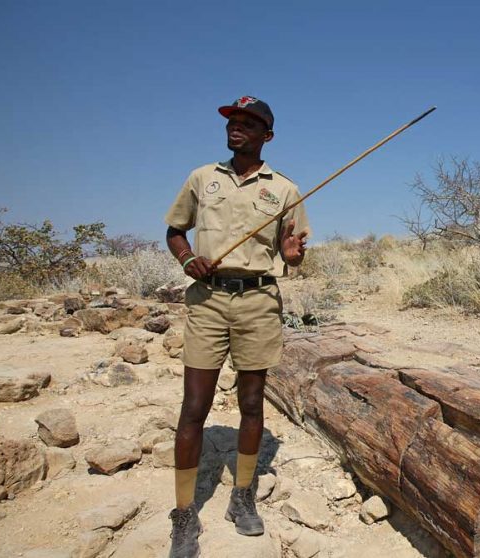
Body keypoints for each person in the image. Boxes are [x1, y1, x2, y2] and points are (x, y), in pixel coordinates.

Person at [162, 96, 309, 558]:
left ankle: (242, 496)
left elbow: (294, 251)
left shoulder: (285, 190)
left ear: (267, 135)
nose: (237, 128)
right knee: (194, 407)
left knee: (250, 403)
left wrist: (292, 257)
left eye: (249, 123)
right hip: (207, 301)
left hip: (259, 302)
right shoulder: (202, 178)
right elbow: (174, 230)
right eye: (233, 121)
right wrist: (188, 260)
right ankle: (184, 513)